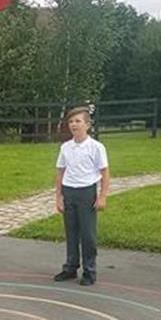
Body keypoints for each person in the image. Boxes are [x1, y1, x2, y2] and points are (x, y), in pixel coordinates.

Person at [53, 106, 110, 286]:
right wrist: (59, 197)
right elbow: (60, 172)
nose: (74, 125)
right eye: (71, 122)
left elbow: (105, 172)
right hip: (69, 191)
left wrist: (102, 197)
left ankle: (89, 270)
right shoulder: (66, 147)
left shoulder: (96, 147)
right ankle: (70, 267)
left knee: (87, 234)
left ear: (87, 125)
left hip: (86, 192)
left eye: (78, 121)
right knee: (71, 232)